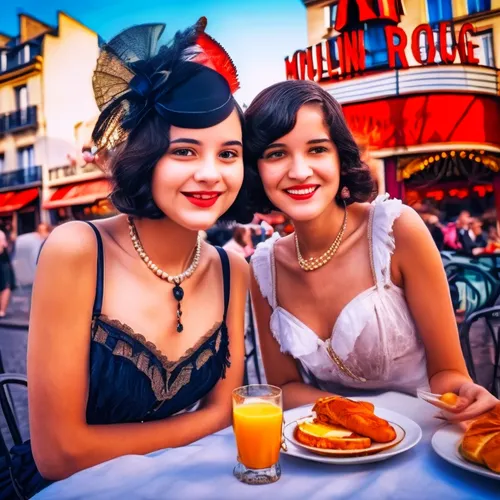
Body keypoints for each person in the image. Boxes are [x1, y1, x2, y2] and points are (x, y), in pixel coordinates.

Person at [1, 19, 251, 498]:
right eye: (184, 150)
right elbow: (57, 454)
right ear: (146, 155)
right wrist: (200, 429)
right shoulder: (77, 250)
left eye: (229, 154)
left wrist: (204, 430)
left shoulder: (231, 268)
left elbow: (228, 412)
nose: (210, 174)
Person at [245, 80, 498, 419]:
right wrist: (355, 416)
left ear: (340, 158)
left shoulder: (395, 230)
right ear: (256, 168)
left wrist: (464, 390)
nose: (299, 171)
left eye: (317, 149)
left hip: (425, 435)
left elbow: (447, 372)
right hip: (335, 443)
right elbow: (286, 387)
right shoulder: (264, 267)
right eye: (277, 153)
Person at [0, 225, 16, 317]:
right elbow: (3, 248)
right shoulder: (1, 234)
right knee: (6, 286)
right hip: (3, 262)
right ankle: (2, 310)